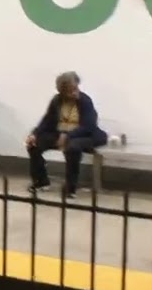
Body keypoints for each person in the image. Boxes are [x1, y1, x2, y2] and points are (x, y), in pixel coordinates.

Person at [25, 71, 108, 199]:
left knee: (72, 147)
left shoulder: (85, 100)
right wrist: (34, 134)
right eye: (71, 90)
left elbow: (88, 125)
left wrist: (68, 135)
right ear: (62, 92)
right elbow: (47, 121)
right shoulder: (56, 101)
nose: (75, 92)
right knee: (33, 145)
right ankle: (41, 181)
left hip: (83, 136)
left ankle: (71, 187)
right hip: (61, 134)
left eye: (76, 88)